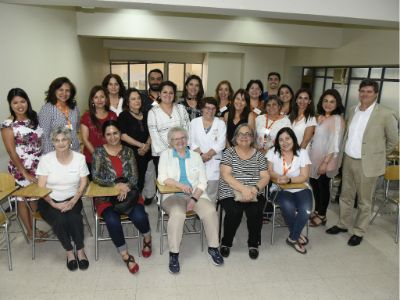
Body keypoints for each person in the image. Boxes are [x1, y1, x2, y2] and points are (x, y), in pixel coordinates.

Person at [326, 79, 398, 246]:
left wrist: (378, 156)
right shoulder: (353, 110)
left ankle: (359, 231)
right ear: (359, 92)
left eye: (369, 92)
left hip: (368, 164)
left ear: (376, 94)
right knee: (345, 195)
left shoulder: (386, 113)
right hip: (349, 160)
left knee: (365, 200)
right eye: (362, 91)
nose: (365, 94)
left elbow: (393, 140)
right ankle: (343, 224)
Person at [158, 127, 224, 274]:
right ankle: (174, 254)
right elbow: (162, 178)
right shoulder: (165, 155)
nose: (180, 141)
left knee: (210, 211)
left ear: (187, 140)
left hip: (196, 195)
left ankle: (213, 247)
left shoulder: (195, 156)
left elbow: (202, 182)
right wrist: (180, 185)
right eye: (176, 139)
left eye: (183, 138)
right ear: (170, 142)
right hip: (172, 195)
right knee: (178, 215)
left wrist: (194, 199)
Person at [92, 120, 152, 274]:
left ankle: (147, 238)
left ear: (120, 134)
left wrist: (126, 187)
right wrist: (115, 186)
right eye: (108, 134)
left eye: (115, 133)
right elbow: (96, 177)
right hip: (106, 196)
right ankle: (125, 255)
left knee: (139, 217)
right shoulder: (99, 152)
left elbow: (134, 176)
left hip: (129, 193)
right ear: (104, 136)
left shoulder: (128, 151)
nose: (112, 137)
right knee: (112, 220)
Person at [36, 126, 89, 271]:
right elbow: (41, 188)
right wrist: (53, 204)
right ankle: (69, 252)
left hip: (73, 198)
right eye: (57, 140)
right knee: (59, 220)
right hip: (48, 200)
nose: (61, 143)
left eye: (64, 139)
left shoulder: (80, 158)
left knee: (74, 218)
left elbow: (83, 182)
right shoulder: (46, 160)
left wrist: (74, 200)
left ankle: (80, 250)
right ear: (52, 142)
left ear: (70, 140)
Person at [219, 124, 270, 259]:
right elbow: (226, 175)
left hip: (254, 191)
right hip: (230, 190)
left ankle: (253, 244)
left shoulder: (259, 156)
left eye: (248, 134)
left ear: (252, 138)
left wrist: (254, 189)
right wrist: (243, 189)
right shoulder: (229, 153)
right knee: (234, 211)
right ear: (235, 137)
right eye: (241, 134)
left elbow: (265, 176)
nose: (244, 137)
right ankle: (226, 243)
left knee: (255, 211)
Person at [1, 88, 44, 240]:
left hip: (37, 166)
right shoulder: (8, 125)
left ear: (27, 101)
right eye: (15, 103)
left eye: (22, 101)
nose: (20, 105)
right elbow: (11, 152)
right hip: (20, 169)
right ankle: (30, 232)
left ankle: (35, 229)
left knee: (34, 199)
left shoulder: (34, 119)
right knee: (22, 200)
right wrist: (24, 173)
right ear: (10, 105)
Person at [266, 127, 312, 254]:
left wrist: (289, 180)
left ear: (293, 139)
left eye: (287, 138)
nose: (284, 142)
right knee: (288, 207)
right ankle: (296, 236)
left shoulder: (302, 152)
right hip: (279, 188)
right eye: (281, 140)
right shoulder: (272, 152)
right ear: (277, 142)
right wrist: (279, 178)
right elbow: (269, 171)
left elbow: (304, 176)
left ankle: (293, 237)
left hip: (300, 187)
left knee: (306, 210)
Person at [309, 89, 345, 227]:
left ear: (337, 103)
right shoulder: (320, 117)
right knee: (315, 186)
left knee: (323, 187)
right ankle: (317, 210)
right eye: (325, 101)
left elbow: (335, 144)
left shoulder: (337, 119)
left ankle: (322, 215)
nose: (328, 104)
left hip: (326, 160)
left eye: (332, 101)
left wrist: (325, 163)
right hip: (314, 158)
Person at [118, 88, 153, 205]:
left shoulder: (147, 114)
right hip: (130, 154)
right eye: (133, 99)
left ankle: (138, 200)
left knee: (142, 179)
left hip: (145, 153)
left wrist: (147, 145)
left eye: (138, 98)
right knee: (131, 180)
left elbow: (152, 132)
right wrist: (141, 145)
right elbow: (123, 136)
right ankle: (130, 202)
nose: (137, 101)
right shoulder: (123, 115)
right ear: (127, 102)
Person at [147, 80, 190, 172]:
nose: (168, 95)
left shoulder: (181, 109)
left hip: (182, 152)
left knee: (181, 181)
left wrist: (181, 148)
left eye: (171, 93)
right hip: (161, 155)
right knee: (164, 183)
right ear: (159, 93)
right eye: (165, 92)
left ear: (174, 95)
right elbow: (154, 136)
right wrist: (171, 151)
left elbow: (187, 129)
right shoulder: (153, 112)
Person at [189, 97, 226, 201]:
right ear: (202, 109)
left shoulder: (221, 124)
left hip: (213, 162)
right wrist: (201, 156)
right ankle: (196, 214)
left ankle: (209, 215)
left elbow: (221, 144)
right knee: (196, 191)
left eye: (213, 108)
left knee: (211, 194)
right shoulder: (194, 122)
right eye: (207, 108)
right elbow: (191, 141)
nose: (210, 111)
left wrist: (207, 155)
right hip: (197, 160)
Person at [80, 85, 117, 179]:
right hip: (92, 159)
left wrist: (109, 157)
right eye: (96, 97)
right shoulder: (86, 116)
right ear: (92, 100)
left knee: (111, 186)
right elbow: (85, 139)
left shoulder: (112, 115)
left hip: (111, 157)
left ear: (106, 98)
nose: (99, 100)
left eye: (102, 96)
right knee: (94, 189)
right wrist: (98, 156)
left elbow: (116, 136)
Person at [39, 77, 80, 154]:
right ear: (54, 91)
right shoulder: (47, 109)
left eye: (67, 90)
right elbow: (45, 137)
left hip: (75, 151)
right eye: (61, 90)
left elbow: (76, 128)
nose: (64, 93)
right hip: (56, 153)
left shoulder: (74, 108)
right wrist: (50, 157)